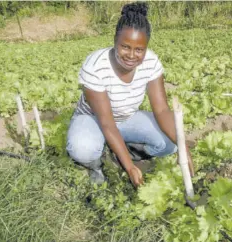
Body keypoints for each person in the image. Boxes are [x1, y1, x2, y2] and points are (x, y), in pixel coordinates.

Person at [66, 2, 194, 188]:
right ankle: (97, 164)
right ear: (115, 41)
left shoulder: (151, 62)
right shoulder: (95, 66)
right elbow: (107, 123)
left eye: (139, 49)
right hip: (93, 120)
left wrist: (184, 150)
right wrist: (130, 168)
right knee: (82, 149)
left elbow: (161, 109)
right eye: (125, 47)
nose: (132, 55)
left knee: (170, 144)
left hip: (127, 118)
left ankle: (125, 150)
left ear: (146, 47)